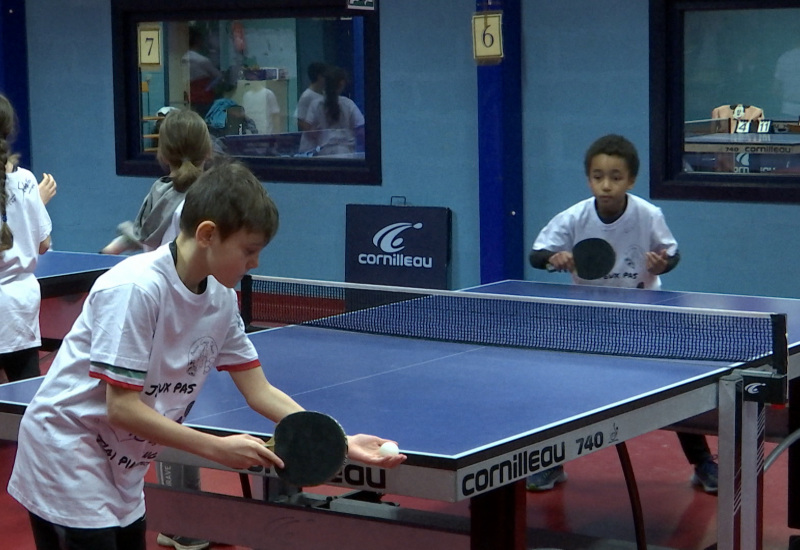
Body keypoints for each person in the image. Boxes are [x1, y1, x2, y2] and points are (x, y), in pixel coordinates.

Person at [8, 159, 407, 550]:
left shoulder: (220, 300)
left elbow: (260, 392)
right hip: (65, 452)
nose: (255, 263)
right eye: (248, 250)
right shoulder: (135, 289)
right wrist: (215, 448)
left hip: (123, 466)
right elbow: (123, 409)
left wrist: (339, 440)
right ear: (207, 233)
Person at [527, 134, 719, 494]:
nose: (606, 184)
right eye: (598, 176)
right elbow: (536, 254)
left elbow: (671, 254)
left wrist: (663, 262)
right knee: (561, 390)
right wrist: (554, 258)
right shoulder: (575, 217)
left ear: (630, 180)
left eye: (615, 177)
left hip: (643, 315)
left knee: (673, 391)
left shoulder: (648, 215)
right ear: (588, 179)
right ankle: (551, 463)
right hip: (588, 320)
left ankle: (702, 462)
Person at [101, 108, 212, 255]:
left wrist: (124, 242)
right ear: (207, 152)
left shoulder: (158, 193)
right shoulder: (214, 198)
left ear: (163, 155)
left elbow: (156, 244)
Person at [0, 94, 53, 384]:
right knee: (26, 395)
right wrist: (36, 203)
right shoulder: (27, 181)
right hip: (21, 307)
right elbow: (43, 244)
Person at [300, 66, 365, 156]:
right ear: (342, 84)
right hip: (347, 154)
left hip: (323, 154)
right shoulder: (348, 104)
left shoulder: (316, 104)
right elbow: (361, 130)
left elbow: (309, 131)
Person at [182, 27, 223, 118]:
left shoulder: (183, 58)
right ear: (198, 41)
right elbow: (219, 76)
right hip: (203, 98)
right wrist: (208, 88)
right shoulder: (201, 60)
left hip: (190, 97)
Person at [295, 61, 327, 131]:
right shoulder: (306, 96)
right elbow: (300, 120)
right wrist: (312, 131)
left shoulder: (325, 94)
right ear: (319, 76)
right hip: (312, 140)